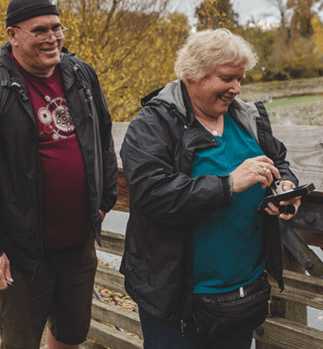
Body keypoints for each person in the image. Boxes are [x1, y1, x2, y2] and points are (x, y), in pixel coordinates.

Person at [0, 0, 118, 348]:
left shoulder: (81, 75)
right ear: (13, 35)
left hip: (78, 245)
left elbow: (103, 137)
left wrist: (105, 200)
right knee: (20, 342)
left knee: (71, 335)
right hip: (20, 254)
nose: (52, 37)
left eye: (56, 27)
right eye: (39, 30)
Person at [120, 28, 303, 349]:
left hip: (243, 293)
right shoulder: (152, 124)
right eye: (227, 78)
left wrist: (284, 185)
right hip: (177, 299)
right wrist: (229, 183)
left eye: (240, 79)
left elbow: (278, 159)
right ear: (193, 73)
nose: (236, 88)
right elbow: (151, 194)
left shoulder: (246, 118)